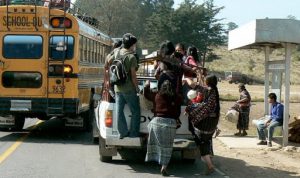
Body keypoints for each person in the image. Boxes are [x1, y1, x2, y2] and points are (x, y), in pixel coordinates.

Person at [144, 79, 182, 176]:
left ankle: (153, 158)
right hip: (170, 124)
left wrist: (146, 85)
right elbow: (178, 112)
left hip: (156, 123)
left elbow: (146, 94)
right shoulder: (177, 97)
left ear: (161, 87)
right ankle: (164, 167)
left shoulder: (157, 95)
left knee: (155, 143)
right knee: (167, 147)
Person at [185, 75, 220, 175]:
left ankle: (210, 166)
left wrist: (191, 108)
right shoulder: (215, 91)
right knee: (206, 141)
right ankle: (210, 163)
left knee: (202, 143)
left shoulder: (209, 90)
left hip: (205, 123)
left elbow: (193, 85)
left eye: (205, 80)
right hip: (212, 123)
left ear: (208, 81)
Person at [113, 33, 140, 139]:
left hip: (117, 87)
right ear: (132, 45)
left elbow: (109, 63)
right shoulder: (131, 57)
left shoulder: (116, 52)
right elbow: (133, 76)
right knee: (135, 111)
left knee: (119, 111)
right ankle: (133, 133)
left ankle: (122, 132)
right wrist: (138, 88)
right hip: (129, 89)